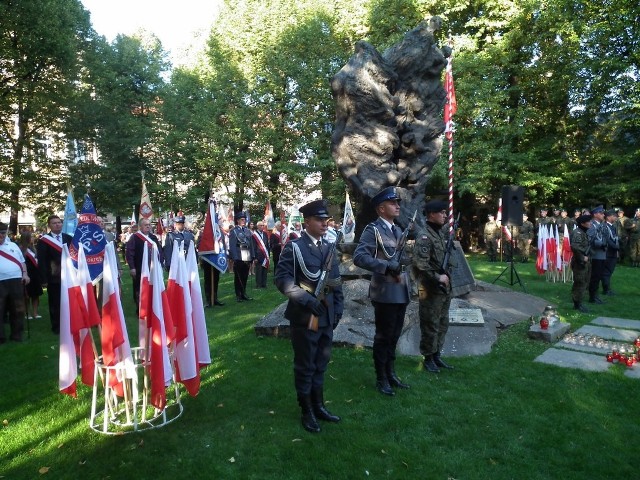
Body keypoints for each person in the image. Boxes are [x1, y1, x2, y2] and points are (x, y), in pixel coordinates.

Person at [275, 199, 344, 433]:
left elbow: (335, 282)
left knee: (321, 363)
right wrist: (307, 301)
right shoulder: (294, 248)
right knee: (306, 365)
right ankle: (307, 411)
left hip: (326, 317)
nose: (325, 223)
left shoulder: (329, 247)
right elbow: (282, 280)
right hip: (305, 318)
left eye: (326, 220)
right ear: (307, 222)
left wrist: (339, 309)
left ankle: (319, 406)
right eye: (319, 219)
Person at [353, 186, 411, 395]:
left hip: (401, 289)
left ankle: (391, 372)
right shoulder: (373, 230)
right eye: (393, 203)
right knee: (383, 336)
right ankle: (381, 378)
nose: (397, 206)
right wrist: (385, 266)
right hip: (385, 291)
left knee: (394, 335)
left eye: (398, 203)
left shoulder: (397, 229)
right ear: (381, 208)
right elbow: (359, 257)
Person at [413, 200, 456, 373]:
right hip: (429, 288)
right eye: (442, 212)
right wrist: (438, 277)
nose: (445, 216)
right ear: (431, 214)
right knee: (430, 323)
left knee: (442, 322)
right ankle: (428, 357)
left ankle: (437, 355)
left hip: (443, 288)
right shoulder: (424, 236)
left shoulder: (437, 233)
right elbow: (420, 265)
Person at [37, 215, 72, 334]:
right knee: (55, 303)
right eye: (54, 223)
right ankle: (57, 327)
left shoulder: (69, 238)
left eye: (59, 222)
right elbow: (41, 261)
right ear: (49, 225)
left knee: (69, 301)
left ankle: (70, 324)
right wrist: (43, 279)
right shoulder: (43, 241)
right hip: (53, 277)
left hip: (69, 275)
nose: (57, 224)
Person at [0, 223, 30, 343]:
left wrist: (25, 274)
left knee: (17, 309)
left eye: (3, 233)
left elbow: (22, 262)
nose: (1, 236)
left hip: (16, 280)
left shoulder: (13, 245)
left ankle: (17, 335)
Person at [126, 219, 163, 312]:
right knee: (140, 288)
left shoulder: (153, 237)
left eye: (149, 225)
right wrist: (132, 267)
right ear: (140, 226)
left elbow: (159, 251)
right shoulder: (135, 237)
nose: (148, 226)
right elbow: (129, 253)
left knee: (153, 286)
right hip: (140, 268)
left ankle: (154, 307)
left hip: (154, 267)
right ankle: (141, 309)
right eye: (146, 225)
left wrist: (161, 263)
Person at [228, 212, 255, 302]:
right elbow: (232, 245)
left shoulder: (247, 231)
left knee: (245, 275)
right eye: (242, 220)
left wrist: (253, 255)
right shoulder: (234, 231)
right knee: (238, 276)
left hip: (247, 255)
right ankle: (238, 295)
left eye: (244, 219)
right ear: (238, 220)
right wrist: (235, 257)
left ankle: (244, 293)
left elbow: (251, 244)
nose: (244, 221)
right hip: (239, 256)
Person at [570, 214, 592, 312]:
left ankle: (579, 302)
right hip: (579, 262)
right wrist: (583, 258)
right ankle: (577, 304)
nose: (590, 223)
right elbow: (575, 247)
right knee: (580, 282)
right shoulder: (577, 233)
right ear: (583, 223)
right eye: (589, 222)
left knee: (584, 282)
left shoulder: (583, 232)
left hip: (584, 261)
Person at [18, 231, 42, 320]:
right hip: (27, 274)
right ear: (26, 238)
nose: (33, 238)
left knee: (35, 295)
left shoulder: (33, 248)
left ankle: (35, 313)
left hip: (35, 275)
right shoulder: (20, 249)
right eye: (31, 237)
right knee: (26, 296)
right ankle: (26, 314)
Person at [587, 205, 607, 304]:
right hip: (595, 255)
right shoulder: (592, 225)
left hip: (602, 254)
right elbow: (589, 240)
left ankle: (596, 295)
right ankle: (592, 297)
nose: (603, 214)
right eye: (601, 213)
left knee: (599, 276)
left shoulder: (601, 224)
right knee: (595, 277)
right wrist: (601, 243)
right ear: (595, 214)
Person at [602, 209, 619, 296]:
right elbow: (607, 239)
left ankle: (607, 288)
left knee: (609, 271)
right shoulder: (605, 226)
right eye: (614, 216)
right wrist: (616, 247)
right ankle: (606, 290)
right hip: (608, 252)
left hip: (613, 252)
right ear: (608, 217)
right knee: (606, 271)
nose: (615, 217)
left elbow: (615, 238)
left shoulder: (613, 226)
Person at [252, 221, 270, 288]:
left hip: (265, 255)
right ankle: (258, 284)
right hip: (258, 255)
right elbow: (253, 246)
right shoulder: (254, 235)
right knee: (259, 271)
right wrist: (255, 257)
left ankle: (264, 284)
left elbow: (267, 245)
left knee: (264, 270)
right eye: (260, 225)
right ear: (257, 226)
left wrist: (268, 254)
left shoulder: (265, 234)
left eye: (263, 225)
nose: (262, 226)